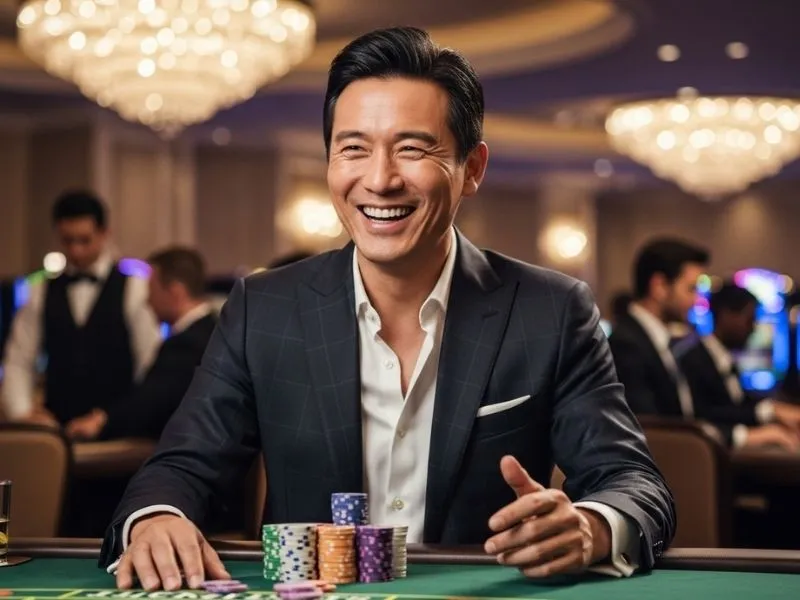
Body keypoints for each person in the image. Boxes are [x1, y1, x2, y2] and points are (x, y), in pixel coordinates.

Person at [100, 27, 674, 590]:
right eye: (353, 148)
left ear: (472, 168)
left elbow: (632, 482)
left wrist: (592, 526)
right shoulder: (263, 307)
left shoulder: (551, 309)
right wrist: (157, 518)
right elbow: (180, 467)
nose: (379, 180)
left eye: (412, 149)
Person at [1, 190, 161, 426]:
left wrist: (120, 418)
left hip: (117, 433)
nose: (76, 251)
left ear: (105, 233)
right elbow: (18, 361)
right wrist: (22, 413)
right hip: (59, 430)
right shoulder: (40, 291)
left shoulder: (134, 288)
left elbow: (148, 363)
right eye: (67, 240)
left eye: (84, 240)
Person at [65, 247, 217, 441]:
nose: (147, 301)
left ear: (175, 292)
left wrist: (102, 422)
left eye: (152, 291)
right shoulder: (213, 331)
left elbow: (151, 405)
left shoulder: (187, 344)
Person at [675, 281, 800, 450]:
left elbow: (737, 404)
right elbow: (703, 416)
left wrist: (772, 410)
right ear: (727, 315)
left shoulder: (722, 356)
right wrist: (761, 430)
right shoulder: (692, 358)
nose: (753, 329)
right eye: (749, 320)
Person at [608, 238, 709, 418]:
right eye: (690, 289)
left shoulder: (658, 338)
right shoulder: (626, 344)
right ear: (659, 286)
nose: (696, 300)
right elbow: (650, 428)